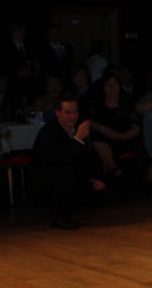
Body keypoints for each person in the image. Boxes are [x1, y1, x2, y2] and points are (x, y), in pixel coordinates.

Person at [29, 95, 105, 229]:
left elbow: (91, 156)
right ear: (58, 113)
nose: (72, 116)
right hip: (49, 180)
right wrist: (77, 139)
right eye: (68, 112)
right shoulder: (49, 132)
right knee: (65, 173)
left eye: (75, 112)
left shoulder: (79, 130)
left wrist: (97, 177)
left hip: (72, 177)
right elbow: (58, 160)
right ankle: (58, 216)